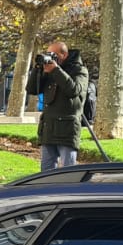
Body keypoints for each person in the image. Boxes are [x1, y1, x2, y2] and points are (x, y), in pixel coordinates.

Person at [35, 40, 89, 171]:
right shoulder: (50, 70)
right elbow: (32, 89)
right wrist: (37, 69)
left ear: (63, 55)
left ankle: (68, 191)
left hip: (67, 128)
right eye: (47, 54)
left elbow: (74, 90)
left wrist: (56, 70)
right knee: (46, 172)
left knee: (67, 171)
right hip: (48, 127)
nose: (49, 57)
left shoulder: (79, 70)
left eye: (52, 54)